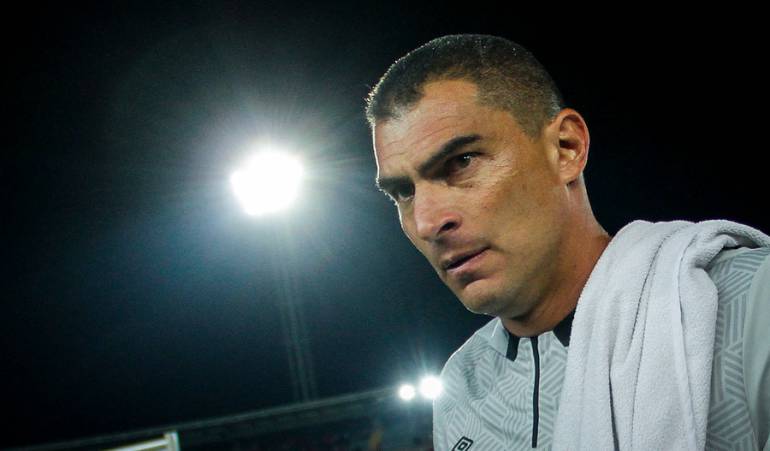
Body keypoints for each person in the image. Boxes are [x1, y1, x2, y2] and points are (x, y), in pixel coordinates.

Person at [364, 34, 770, 450]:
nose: (427, 222)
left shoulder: (751, 299)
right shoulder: (460, 387)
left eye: (461, 162)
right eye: (403, 192)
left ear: (566, 149)